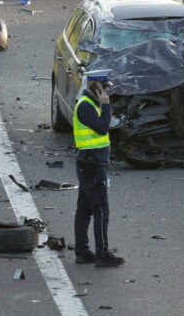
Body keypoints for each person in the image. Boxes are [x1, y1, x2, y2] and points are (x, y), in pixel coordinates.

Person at [72, 71, 124, 267]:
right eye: (105, 88)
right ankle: (102, 254)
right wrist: (106, 104)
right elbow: (103, 127)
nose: (107, 92)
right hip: (92, 164)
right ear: (95, 87)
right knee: (101, 209)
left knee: (85, 208)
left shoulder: (90, 104)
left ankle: (82, 252)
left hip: (91, 163)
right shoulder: (85, 106)